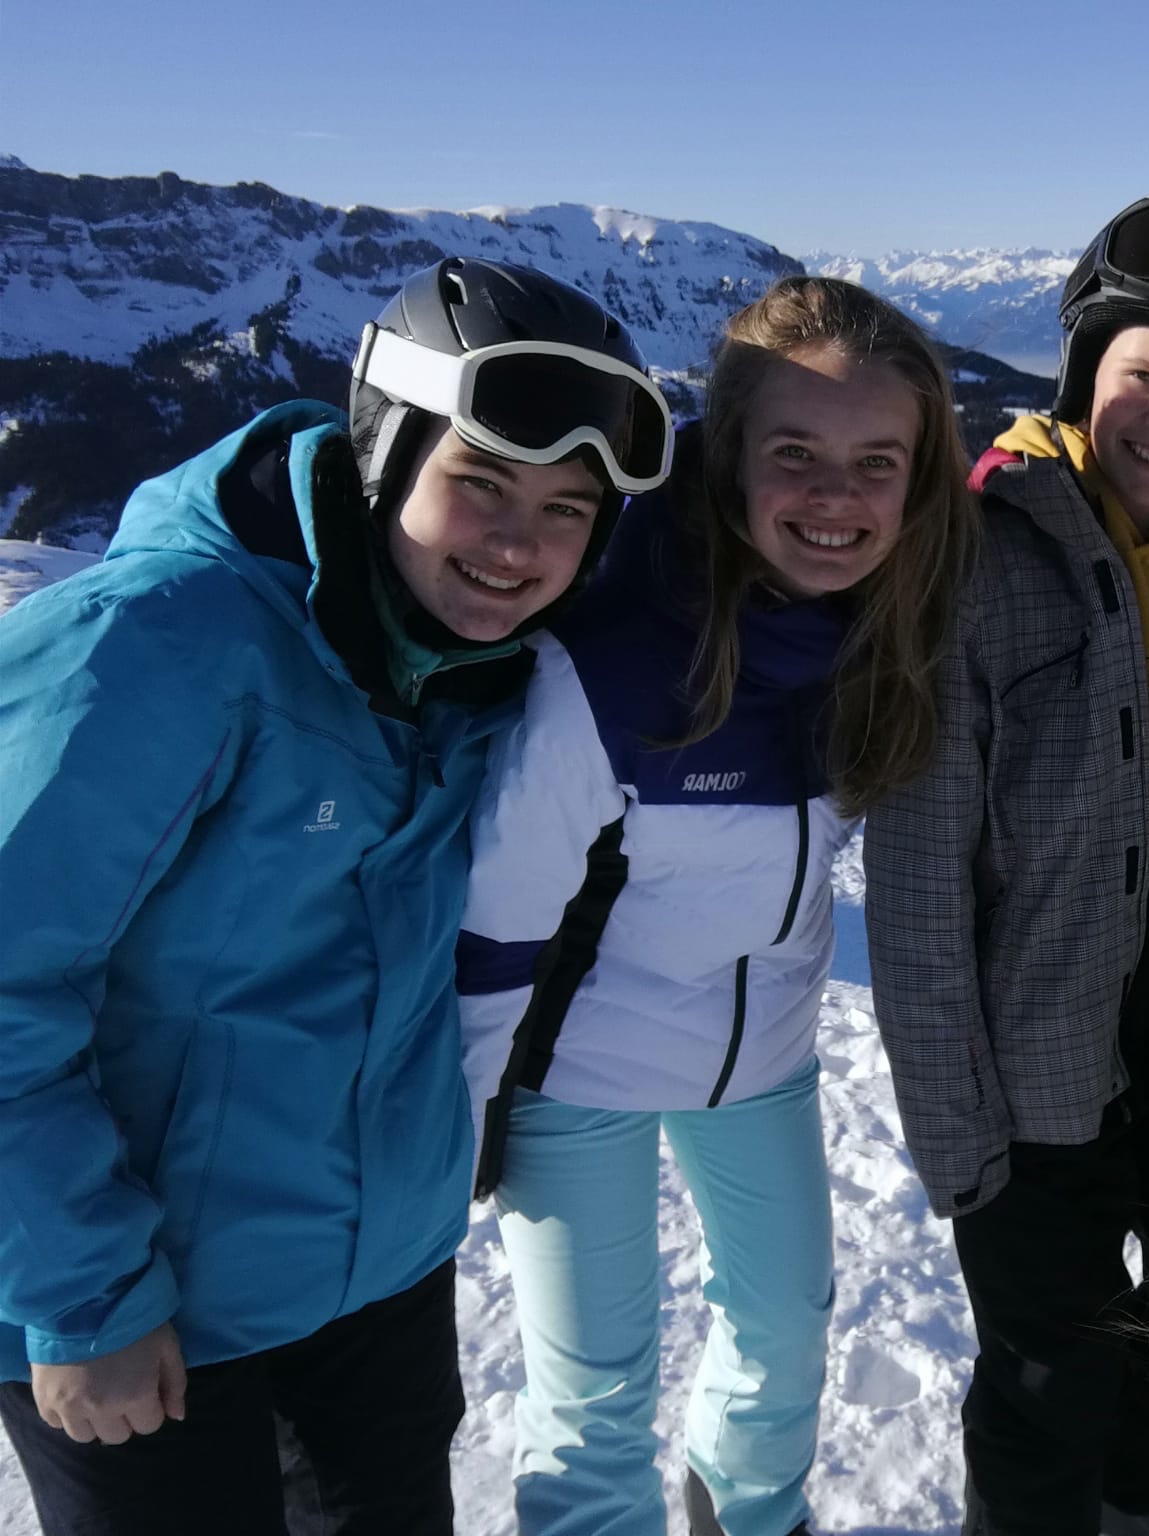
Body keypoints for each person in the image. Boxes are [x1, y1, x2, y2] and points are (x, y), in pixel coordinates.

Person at [0, 256, 671, 1535]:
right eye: (479, 483)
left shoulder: (479, 672)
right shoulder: (159, 645)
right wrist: (86, 1298)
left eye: (568, 508)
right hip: (142, 1308)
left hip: (379, 1280)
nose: (519, 545)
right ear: (384, 457)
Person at [457, 274, 976, 1536]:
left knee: (786, 1323)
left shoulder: (883, 633)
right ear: (726, 456)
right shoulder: (613, 662)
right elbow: (496, 924)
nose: (836, 497)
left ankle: (748, 1515)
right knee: (596, 1389)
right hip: (576, 1068)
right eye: (794, 454)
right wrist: (462, 1119)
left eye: (876, 463)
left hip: (765, 1057)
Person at [864, 189, 1149, 1536]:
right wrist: (954, 1131)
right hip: (1036, 1037)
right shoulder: (977, 558)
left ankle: (1144, 1504)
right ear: (1082, 370)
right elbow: (919, 878)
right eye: (1143, 376)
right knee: (1048, 1363)